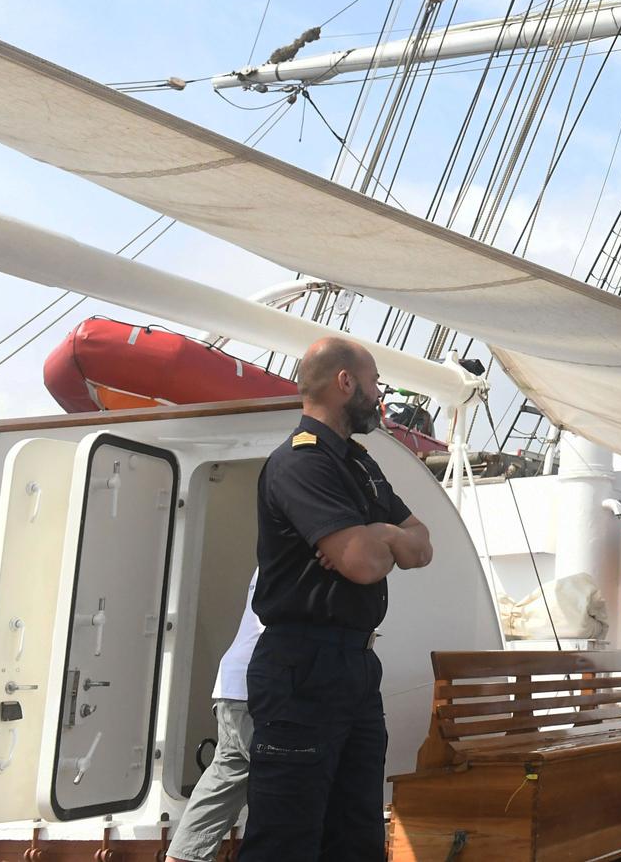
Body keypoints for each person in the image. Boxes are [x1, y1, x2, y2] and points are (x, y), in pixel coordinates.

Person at [236, 337, 434, 861]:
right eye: (375, 384)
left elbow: (422, 546)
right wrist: (379, 540)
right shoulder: (302, 464)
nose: (379, 396)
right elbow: (364, 564)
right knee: (287, 839)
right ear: (345, 382)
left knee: (356, 836)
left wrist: (376, 533)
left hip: (355, 665)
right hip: (302, 667)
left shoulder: (360, 465)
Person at [166, 575, 262, 862]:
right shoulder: (314, 544)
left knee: (219, 791)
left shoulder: (278, 547)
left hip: (235, 686)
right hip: (260, 688)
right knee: (292, 791)